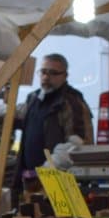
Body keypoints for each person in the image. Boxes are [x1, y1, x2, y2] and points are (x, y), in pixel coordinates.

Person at [13, 54, 93, 196]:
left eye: (53, 73)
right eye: (43, 72)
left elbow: (78, 144)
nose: (46, 77)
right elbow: (18, 114)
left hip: (59, 182)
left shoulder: (71, 102)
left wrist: (47, 170)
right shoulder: (33, 98)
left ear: (65, 75)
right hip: (30, 182)